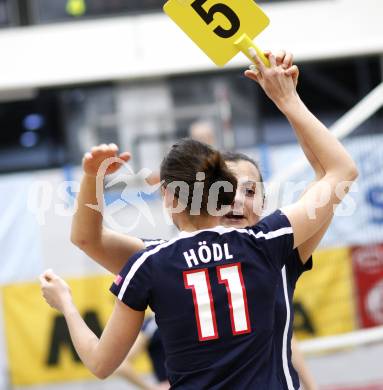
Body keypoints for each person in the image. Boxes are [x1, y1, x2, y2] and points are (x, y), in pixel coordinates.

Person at [41, 56, 358, 385]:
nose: (236, 198)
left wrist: (288, 98)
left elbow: (325, 173)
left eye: (249, 191)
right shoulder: (268, 241)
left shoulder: (277, 247)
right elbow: (88, 239)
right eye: (230, 188)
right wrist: (286, 99)